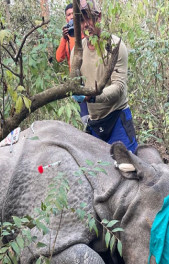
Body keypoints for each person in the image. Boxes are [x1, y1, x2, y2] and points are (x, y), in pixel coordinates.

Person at [71, 0, 138, 153]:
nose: (86, 24)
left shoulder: (115, 46)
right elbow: (75, 82)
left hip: (117, 117)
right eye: (81, 20)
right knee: (97, 170)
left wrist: (91, 96)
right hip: (94, 120)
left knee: (128, 169)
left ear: (99, 17)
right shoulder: (77, 51)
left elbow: (119, 87)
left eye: (88, 17)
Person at [56, 3, 90, 125]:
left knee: (95, 110)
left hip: (88, 77)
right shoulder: (67, 37)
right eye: (68, 15)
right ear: (66, 18)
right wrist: (64, 38)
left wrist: (81, 30)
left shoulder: (85, 31)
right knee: (85, 117)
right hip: (76, 80)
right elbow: (59, 58)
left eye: (73, 14)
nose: (71, 17)